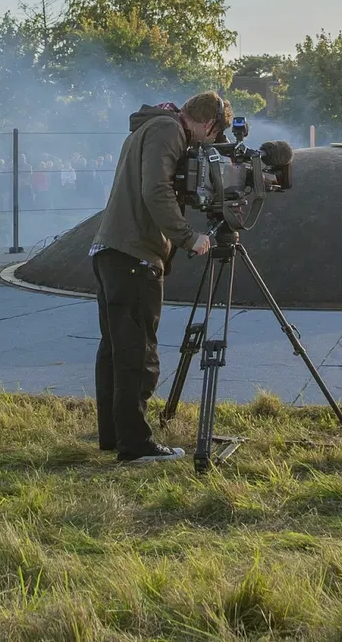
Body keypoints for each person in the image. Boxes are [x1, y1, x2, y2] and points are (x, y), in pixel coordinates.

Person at [89, 92, 230, 464]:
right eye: (212, 137)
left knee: (116, 352)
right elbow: (157, 190)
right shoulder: (169, 130)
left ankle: (116, 437)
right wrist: (188, 237)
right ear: (209, 124)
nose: (207, 145)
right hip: (135, 255)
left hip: (112, 251)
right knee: (137, 354)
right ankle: (136, 446)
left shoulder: (149, 127)